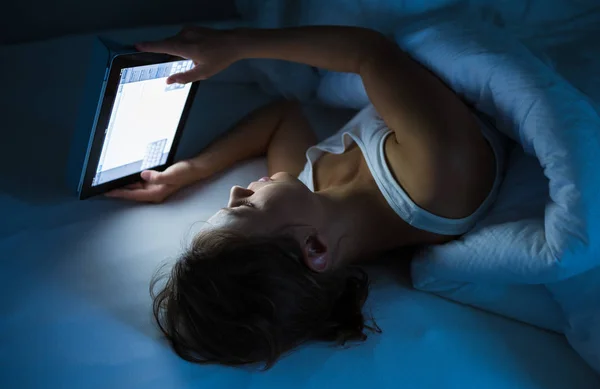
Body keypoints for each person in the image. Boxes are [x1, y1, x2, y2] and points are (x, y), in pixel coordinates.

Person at [107, 26, 506, 369]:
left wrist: (193, 171)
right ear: (314, 248)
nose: (236, 189)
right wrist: (236, 43)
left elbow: (283, 117)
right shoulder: (437, 179)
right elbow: (370, 52)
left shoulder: (312, 197)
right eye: (243, 207)